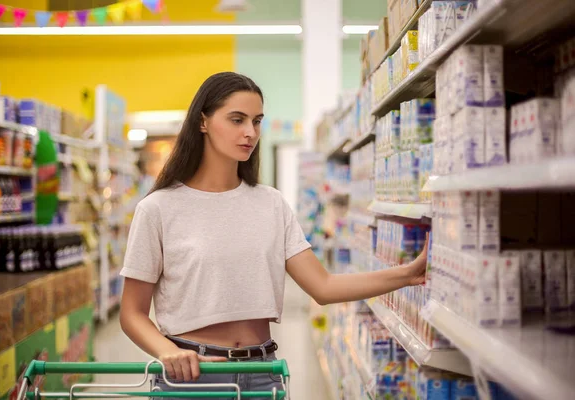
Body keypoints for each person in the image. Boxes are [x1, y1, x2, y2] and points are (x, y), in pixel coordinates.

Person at [119, 72, 428, 398]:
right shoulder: (158, 209)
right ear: (203, 122)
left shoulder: (271, 203)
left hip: (264, 372)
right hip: (194, 374)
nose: (250, 133)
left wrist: (407, 274)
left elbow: (323, 286)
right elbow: (132, 313)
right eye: (237, 120)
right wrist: (165, 351)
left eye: (257, 121)